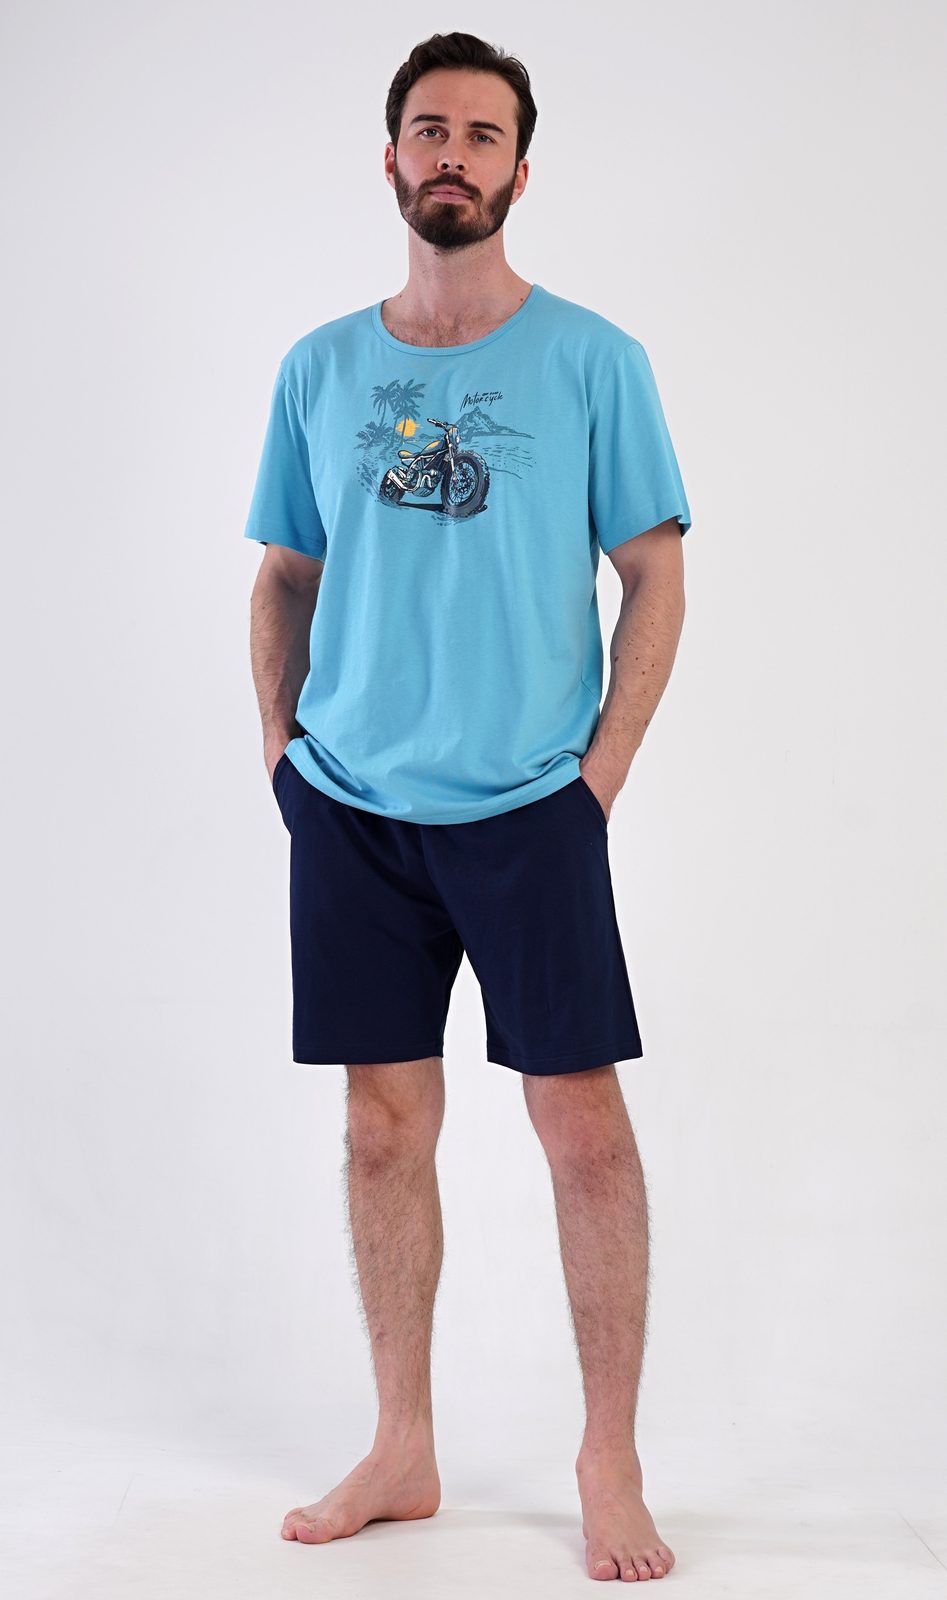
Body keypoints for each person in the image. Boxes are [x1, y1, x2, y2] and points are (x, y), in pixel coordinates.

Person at [244, 30, 691, 1584]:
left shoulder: (593, 361)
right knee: (381, 1130)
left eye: (482, 134)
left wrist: (598, 779)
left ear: (519, 170)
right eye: (429, 129)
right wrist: (282, 755)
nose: (453, 153)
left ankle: (608, 1458)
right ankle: (403, 1445)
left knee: (584, 1134)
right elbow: (284, 575)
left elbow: (653, 574)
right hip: (351, 809)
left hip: (529, 808)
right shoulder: (319, 368)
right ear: (391, 159)